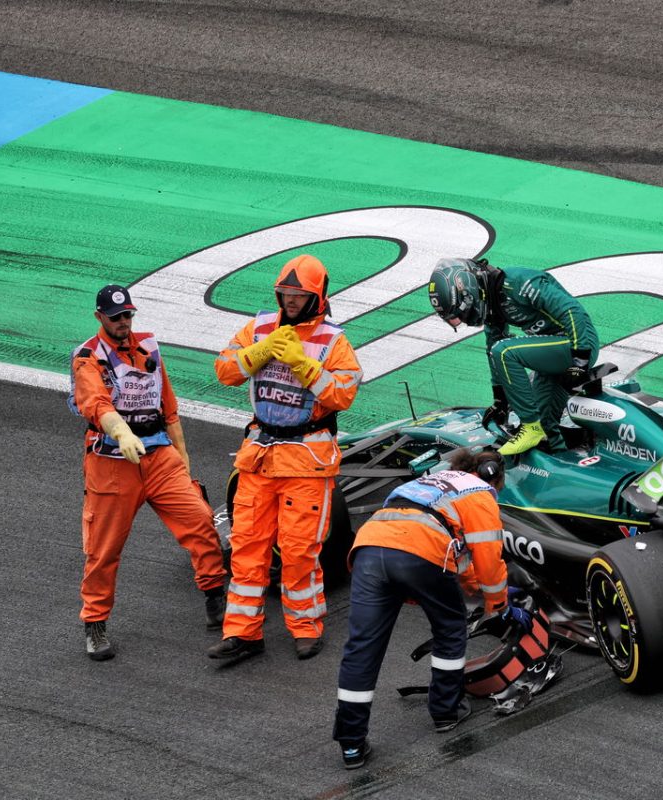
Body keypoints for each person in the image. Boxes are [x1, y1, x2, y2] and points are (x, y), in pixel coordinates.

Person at [208, 254, 362, 662]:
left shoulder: (333, 340)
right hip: (259, 455)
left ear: (318, 297)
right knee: (246, 546)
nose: (289, 301)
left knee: (299, 551)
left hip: (306, 459)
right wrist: (259, 353)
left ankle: (306, 627)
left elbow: (343, 393)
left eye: (298, 296)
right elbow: (224, 369)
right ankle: (242, 632)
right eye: (285, 294)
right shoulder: (259, 327)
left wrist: (301, 362)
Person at [333, 447, 523, 770]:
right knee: (450, 627)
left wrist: (481, 586)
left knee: (362, 647)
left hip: (369, 548)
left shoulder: (429, 481)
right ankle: (446, 712)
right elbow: (489, 563)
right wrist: (501, 605)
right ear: (494, 477)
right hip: (419, 551)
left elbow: (457, 559)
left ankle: (351, 743)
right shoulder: (480, 494)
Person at [69, 284, 228, 661]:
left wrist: (183, 458)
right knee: (102, 550)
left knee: (202, 520)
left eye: (128, 315)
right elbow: (94, 402)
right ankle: (95, 622)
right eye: (115, 317)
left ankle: (214, 600)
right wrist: (120, 431)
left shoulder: (150, 348)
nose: (124, 322)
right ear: (99, 318)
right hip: (111, 465)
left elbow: (169, 406)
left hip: (159, 457)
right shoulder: (87, 357)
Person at [428, 257, 600, 455]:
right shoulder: (491, 300)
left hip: (576, 345)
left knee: (505, 351)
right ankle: (563, 463)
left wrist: (579, 361)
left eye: (461, 313)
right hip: (554, 353)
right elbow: (491, 347)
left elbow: (572, 310)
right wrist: (500, 400)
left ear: (469, 291)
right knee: (547, 429)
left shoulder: (519, 283)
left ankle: (530, 427)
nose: (465, 320)